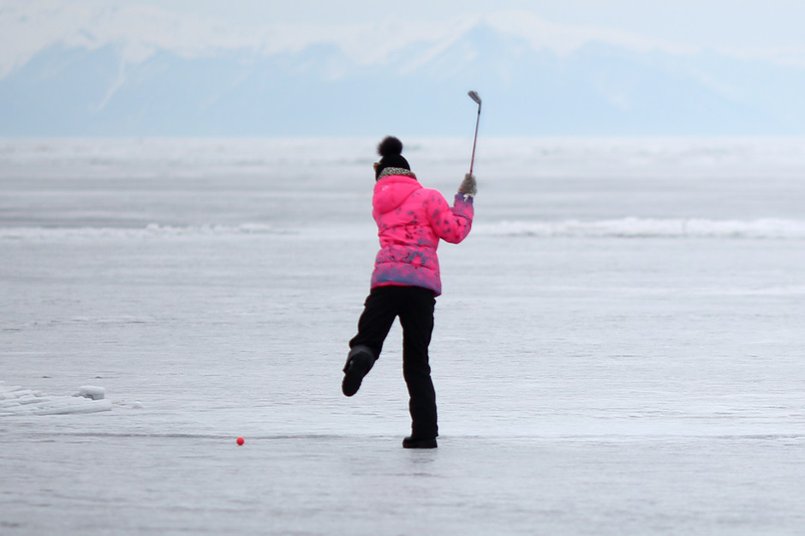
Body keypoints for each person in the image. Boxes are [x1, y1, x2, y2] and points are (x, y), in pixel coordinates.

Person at [341, 135, 477, 449]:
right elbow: (454, 232)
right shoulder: (428, 197)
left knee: (368, 339)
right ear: (410, 174)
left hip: (387, 281)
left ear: (380, 174)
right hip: (420, 288)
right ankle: (424, 434)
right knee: (417, 362)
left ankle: (361, 356)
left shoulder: (379, 202)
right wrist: (465, 198)